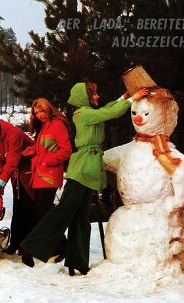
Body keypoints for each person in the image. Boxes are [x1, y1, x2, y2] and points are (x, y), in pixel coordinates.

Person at [19, 80, 148, 276]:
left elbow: (106, 109)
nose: (97, 97)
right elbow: (108, 113)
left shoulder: (89, 113)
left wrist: (123, 97)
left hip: (91, 169)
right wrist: (132, 99)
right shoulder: (82, 114)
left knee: (80, 218)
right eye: (93, 94)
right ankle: (30, 246)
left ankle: (78, 262)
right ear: (84, 98)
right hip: (81, 169)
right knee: (63, 212)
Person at [21, 98, 72, 260]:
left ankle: (59, 246)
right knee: (45, 213)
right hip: (40, 175)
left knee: (42, 213)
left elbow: (66, 150)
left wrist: (47, 161)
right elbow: (42, 147)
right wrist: (29, 151)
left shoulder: (57, 125)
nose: (39, 115)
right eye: (36, 113)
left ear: (48, 109)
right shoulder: (45, 126)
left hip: (49, 175)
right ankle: (60, 246)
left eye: (41, 111)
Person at [0, 113, 35, 255]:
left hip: (31, 173)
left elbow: (12, 161)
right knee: (18, 210)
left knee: (30, 210)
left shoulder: (13, 133)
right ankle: (16, 244)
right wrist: (0, 184)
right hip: (17, 175)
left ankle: (29, 246)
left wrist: (1, 183)